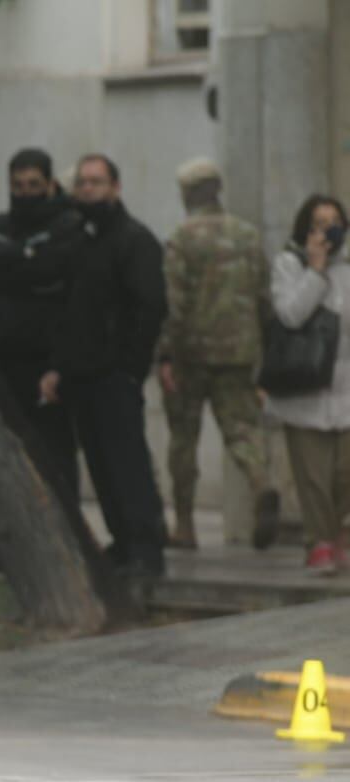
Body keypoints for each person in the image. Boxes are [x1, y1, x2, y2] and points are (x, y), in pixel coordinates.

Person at [40, 153, 169, 577]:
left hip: (115, 374)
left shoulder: (134, 241)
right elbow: (69, 312)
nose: (88, 189)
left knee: (126, 460)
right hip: (82, 375)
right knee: (99, 461)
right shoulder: (79, 241)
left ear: (115, 187)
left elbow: (149, 308)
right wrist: (60, 367)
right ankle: (123, 540)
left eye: (96, 182)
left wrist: (131, 366)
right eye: (82, 182)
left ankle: (147, 548)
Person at [0, 147, 86, 542]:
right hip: (2, 357)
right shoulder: (4, 224)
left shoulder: (68, 224)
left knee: (54, 457)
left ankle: (65, 539)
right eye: (18, 186)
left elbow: (53, 265)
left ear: (49, 185)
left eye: (34, 185)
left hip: (46, 363)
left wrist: (12, 261)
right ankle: (17, 544)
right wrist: (22, 256)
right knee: (7, 458)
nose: (25, 192)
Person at [156, 157, 280, 551]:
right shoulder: (248, 235)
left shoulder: (181, 237)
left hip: (190, 355)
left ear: (186, 193)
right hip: (240, 352)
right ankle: (261, 483)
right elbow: (265, 298)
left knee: (184, 440)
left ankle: (186, 525)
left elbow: (173, 305)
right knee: (243, 429)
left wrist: (166, 356)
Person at [267, 194, 350, 574]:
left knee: (344, 474)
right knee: (314, 475)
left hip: (347, 389)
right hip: (306, 390)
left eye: (334, 222)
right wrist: (315, 271)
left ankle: (343, 538)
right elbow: (290, 315)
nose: (327, 230)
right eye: (319, 223)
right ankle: (320, 541)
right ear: (306, 228)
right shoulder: (289, 264)